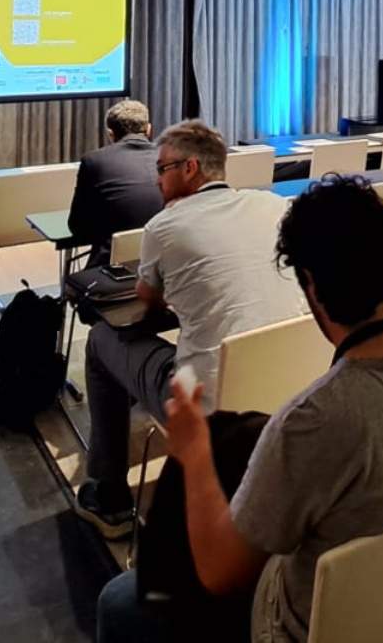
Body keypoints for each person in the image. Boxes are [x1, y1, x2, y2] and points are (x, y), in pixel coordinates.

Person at [95, 174, 383, 643]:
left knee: (119, 603)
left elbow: (220, 571)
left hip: (306, 627)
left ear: (311, 286)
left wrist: (193, 453)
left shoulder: (308, 423)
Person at [75, 121, 309, 537]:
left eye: (162, 168)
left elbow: (148, 299)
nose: (156, 179)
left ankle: (108, 492)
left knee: (101, 339)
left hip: (209, 408)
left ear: (190, 169)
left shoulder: (163, 227)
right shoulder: (274, 206)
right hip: (293, 385)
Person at [68, 99, 167, 270]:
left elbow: (77, 227)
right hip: (167, 269)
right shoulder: (172, 158)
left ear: (110, 134)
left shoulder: (94, 161)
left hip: (113, 274)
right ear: (148, 129)